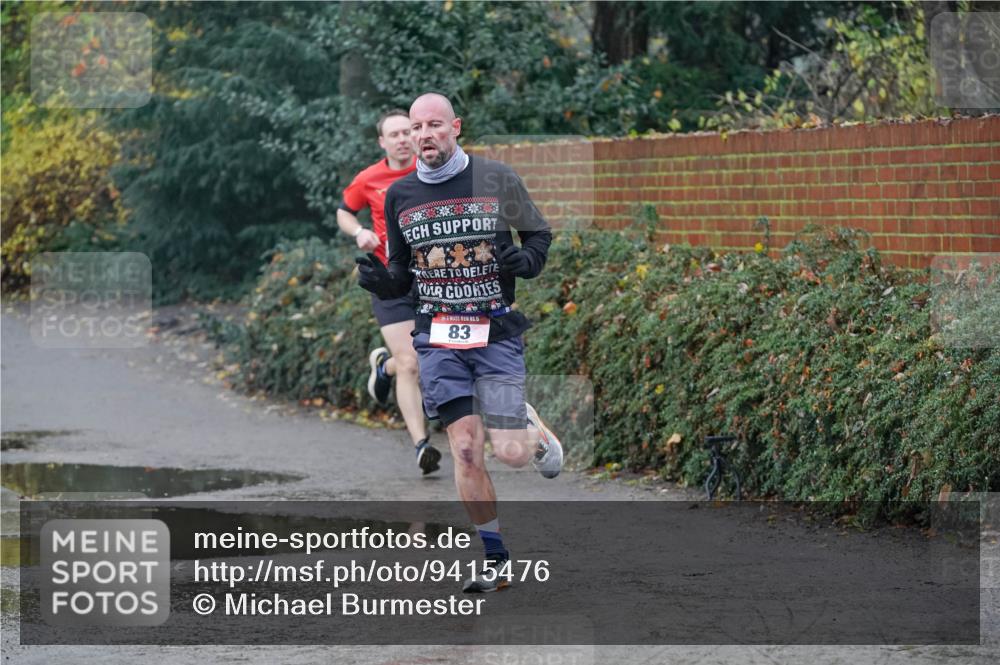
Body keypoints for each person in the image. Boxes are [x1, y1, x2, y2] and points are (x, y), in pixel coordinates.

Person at [355, 93, 563, 593]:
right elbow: (403, 272)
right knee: (466, 451)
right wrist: (387, 284)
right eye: (416, 127)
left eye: (434, 125)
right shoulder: (398, 196)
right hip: (437, 336)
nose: (424, 135)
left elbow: (538, 235)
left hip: (493, 329)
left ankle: (531, 429)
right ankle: (495, 559)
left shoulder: (496, 177)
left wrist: (527, 262)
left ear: (455, 128)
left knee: (510, 453)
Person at [338, 109, 442, 475]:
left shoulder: (434, 170)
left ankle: (384, 366)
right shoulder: (370, 178)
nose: (401, 139)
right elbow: (344, 211)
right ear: (382, 142)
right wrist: (359, 233)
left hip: (437, 279)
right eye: (393, 134)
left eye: (406, 132)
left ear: (415, 136)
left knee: (432, 355)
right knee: (412, 364)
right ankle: (422, 445)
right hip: (390, 280)